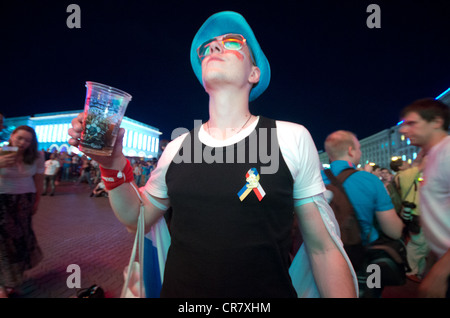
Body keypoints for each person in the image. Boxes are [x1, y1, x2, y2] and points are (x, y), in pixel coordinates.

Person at [69, 11, 357, 298]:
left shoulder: (290, 138)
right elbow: (136, 217)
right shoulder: (178, 147)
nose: (214, 47)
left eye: (232, 41)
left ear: (254, 73)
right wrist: (111, 163)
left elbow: (323, 248)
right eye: (206, 48)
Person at [322, 130, 404, 297]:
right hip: (364, 259)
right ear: (351, 151)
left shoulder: (315, 179)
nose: (360, 152)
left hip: (324, 261)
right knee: (371, 293)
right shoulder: (369, 180)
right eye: (359, 148)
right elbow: (393, 231)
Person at [399, 98, 450, 298]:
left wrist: (442, 270)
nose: (403, 130)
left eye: (411, 123)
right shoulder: (435, 155)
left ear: (436, 122)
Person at [0, 125, 44, 298]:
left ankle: (14, 277)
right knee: (3, 243)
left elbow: (39, 180)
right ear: (12, 136)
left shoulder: (36, 156)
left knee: (20, 239)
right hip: (2, 200)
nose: (23, 143)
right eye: (20, 138)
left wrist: (37, 201)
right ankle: (3, 284)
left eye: (27, 140)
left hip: (24, 201)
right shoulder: (2, 151)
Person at [390, 156, 429, 283]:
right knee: (418, 243)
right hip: (415, 213)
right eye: (405, 162)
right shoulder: (405, 175)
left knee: (421, 243)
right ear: (400, 167)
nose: (409, 163)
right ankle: (411, 269)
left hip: (413, 213)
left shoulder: (401, 175)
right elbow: (421, 164)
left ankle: (418, 270)